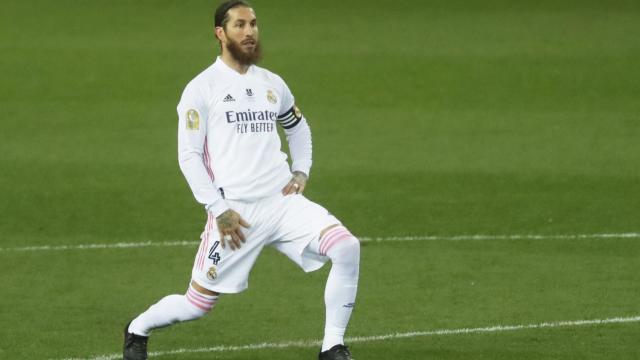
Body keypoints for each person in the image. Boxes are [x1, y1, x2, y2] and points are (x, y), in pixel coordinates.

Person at [122, 1, 360, 359]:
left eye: (253, 24)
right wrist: (218, 209)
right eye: (239, 25)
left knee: (346, 247)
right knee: (197, 304)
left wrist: (302, 169)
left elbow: (297, 126)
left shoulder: (272, 84)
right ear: (220, 33)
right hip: (236, 215)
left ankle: (333, 347)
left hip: (282, 203)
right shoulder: (201, 89)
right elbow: (188, 156)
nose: (249, 32)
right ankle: (137, 328)